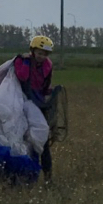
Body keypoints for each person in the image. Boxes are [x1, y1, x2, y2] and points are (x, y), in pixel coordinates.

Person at [15, 35, 62, 181]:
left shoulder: (48, 65)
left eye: (45, 54)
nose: (42, 56)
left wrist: (51, 92)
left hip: (38, 103)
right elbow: (22, 77)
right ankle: (19, 173)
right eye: (39, 53)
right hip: (20, 101)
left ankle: (48, 176)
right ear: (33, 51)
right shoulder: (22, 60)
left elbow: (45, 85)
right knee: (19, 137)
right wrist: (26, 62)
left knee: (42, 140)